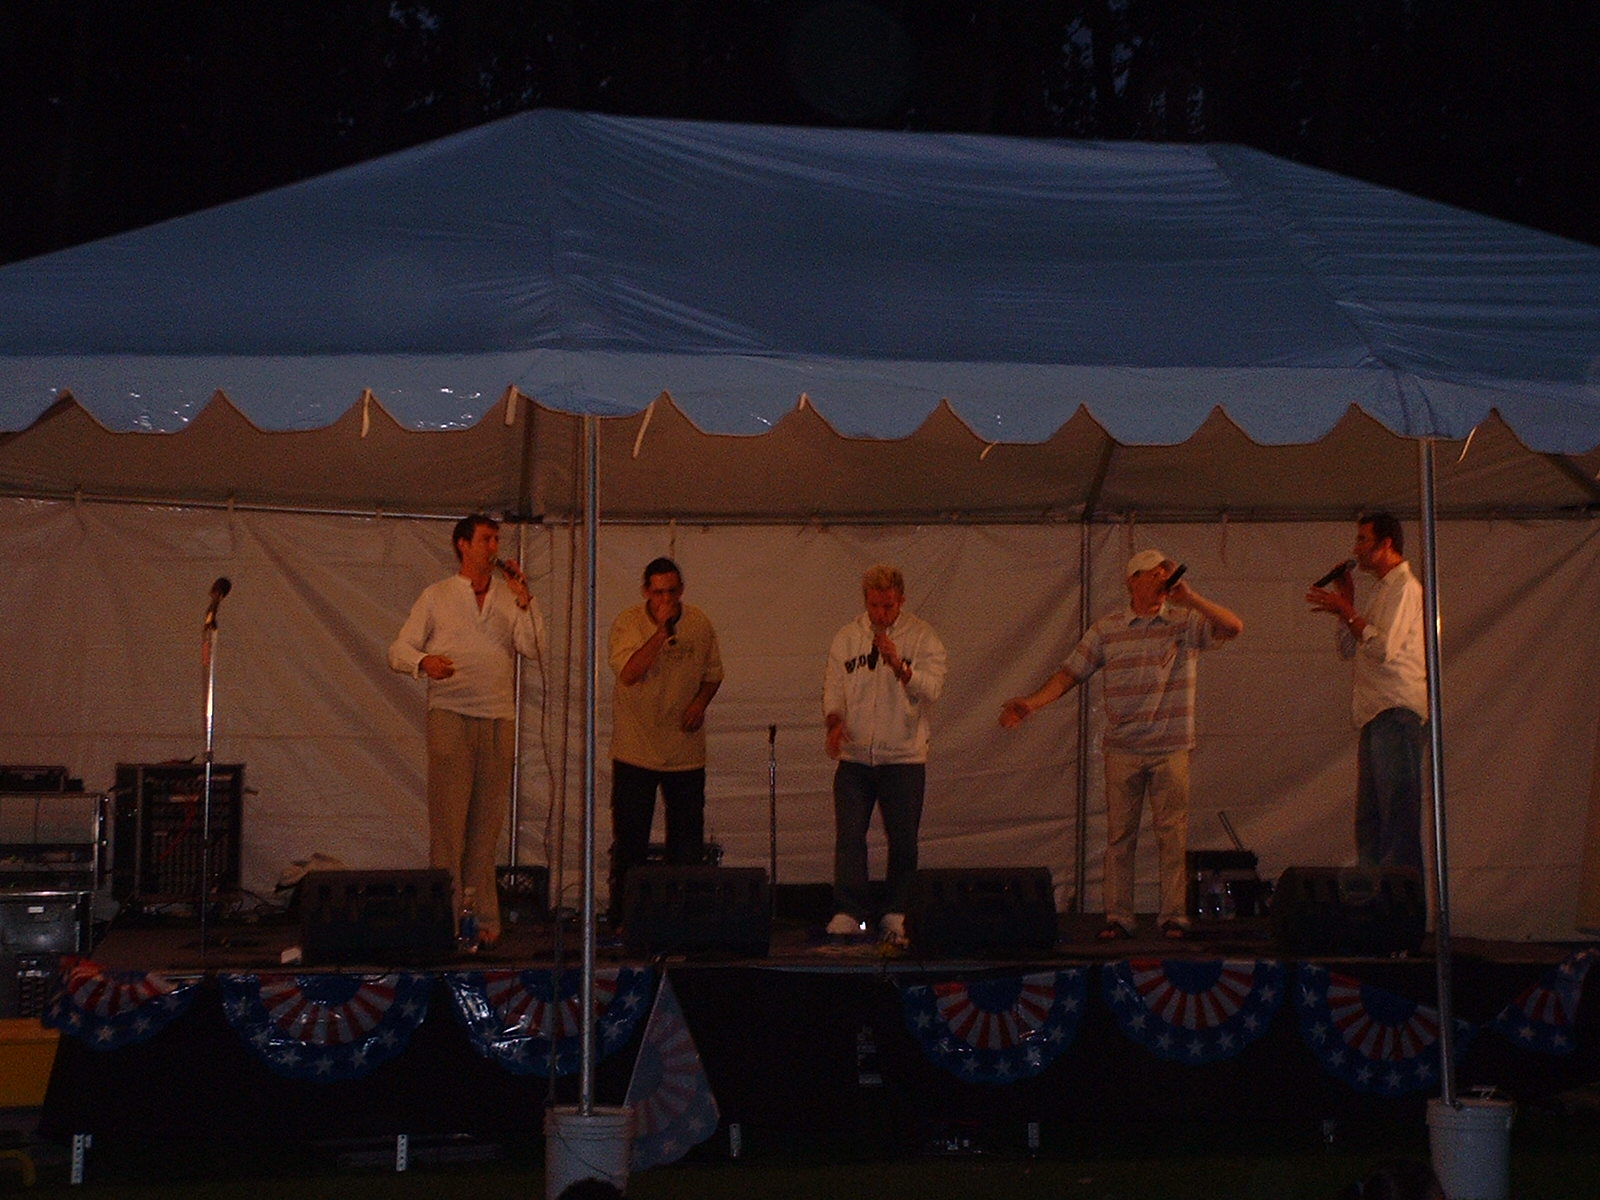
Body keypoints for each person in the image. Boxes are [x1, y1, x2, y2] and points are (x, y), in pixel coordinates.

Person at [1001, 550, 1242, 941]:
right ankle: (1118, 916)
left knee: (1172, 835)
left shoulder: (1184, 622)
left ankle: (1173, 916)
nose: (1162, 577)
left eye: (1165, 572)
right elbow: (1069, 673)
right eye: (1154, 573)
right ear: (1133, 580)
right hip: (1123, 748)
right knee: (1119, 837)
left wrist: (1192, 598)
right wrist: (1032, 703)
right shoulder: (1108, 629)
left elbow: (1233, 627)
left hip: (1171, 745)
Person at [389, 513, 545, 948]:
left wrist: (524, 598)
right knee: (449, 825)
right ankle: (445, 918)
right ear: (463, 544)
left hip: (498, 718)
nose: (494, 547)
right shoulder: (437, 595)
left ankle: (483, 918)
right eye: (486, 539)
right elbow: (398, 649)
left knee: (487, 826)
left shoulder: (509, 596)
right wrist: (424, 662)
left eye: (496, 540)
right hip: (451, 715)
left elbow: (534, 646)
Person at [822, 565, 948, 947]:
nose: (881, 613)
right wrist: (834, 723)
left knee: (903, 838)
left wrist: (900, 665)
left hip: (903, 756)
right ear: (865, 601)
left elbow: (933, 689)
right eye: (874, 605)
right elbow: (833, 690)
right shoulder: (847, 638)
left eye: (888, 606)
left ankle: (897, 910)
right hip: (855, 756)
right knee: (849, 836)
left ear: (902, 601)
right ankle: (849, 910)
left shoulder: (922, 636)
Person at [1305, 511, 1428, 870]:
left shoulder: (1405, 588)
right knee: (1370, 820)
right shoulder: (1382, 591)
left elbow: (1383, 649)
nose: (1356, 549)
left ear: (1386, 544)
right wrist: (1347, 603)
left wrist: (1348, 611)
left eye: (1362, 540)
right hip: (1376, 715)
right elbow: (1349, 649)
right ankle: (1375, 897)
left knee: (1397, 819)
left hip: (1397, 712)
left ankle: (1400, 902)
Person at [608, 557, 724, 924]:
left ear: (682, 590)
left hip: (684, 752)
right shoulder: (628, 623)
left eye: (672, 592)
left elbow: (714, 674)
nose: (666, 599)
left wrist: (700, 703)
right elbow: (629, 673)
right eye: (658, 592)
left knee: (686, 843)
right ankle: (625, 918)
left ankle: (682, 919)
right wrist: (660, 632)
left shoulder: (699, 623)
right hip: (636, 749)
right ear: (646, 591)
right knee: (631, 839)